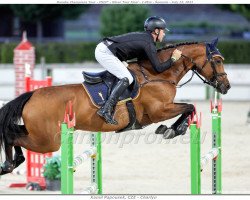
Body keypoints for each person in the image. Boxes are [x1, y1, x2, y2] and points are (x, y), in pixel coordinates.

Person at [95, 16, 182, 125]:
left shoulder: (147, 40)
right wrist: (173, 59)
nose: (164, 33)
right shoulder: (148, 43)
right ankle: (106, 109)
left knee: (128, 75)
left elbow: (145, 61)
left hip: (108, 50)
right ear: (156, 31)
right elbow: (158, 68)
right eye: (163, 31)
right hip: (105, 52)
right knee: (127, 78)